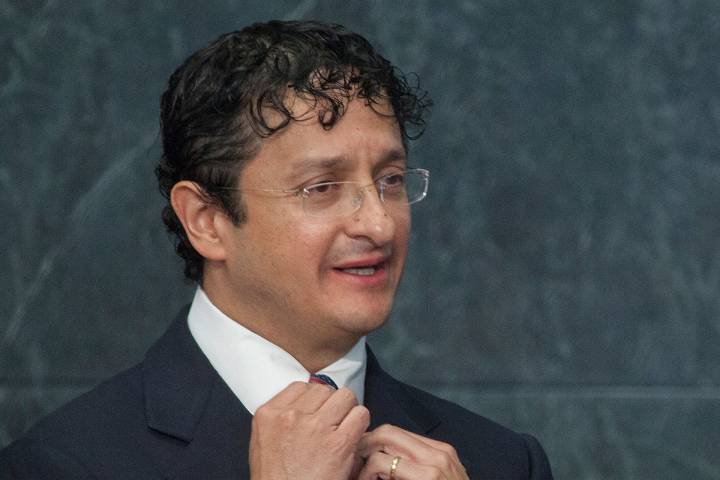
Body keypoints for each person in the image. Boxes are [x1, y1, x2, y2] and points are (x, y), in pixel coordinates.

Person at [0, 20, 553, 479]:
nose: (379, 223)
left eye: (390, 180)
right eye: (322, 187)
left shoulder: (499, 462)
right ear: (207, 220)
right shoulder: (59, 465)